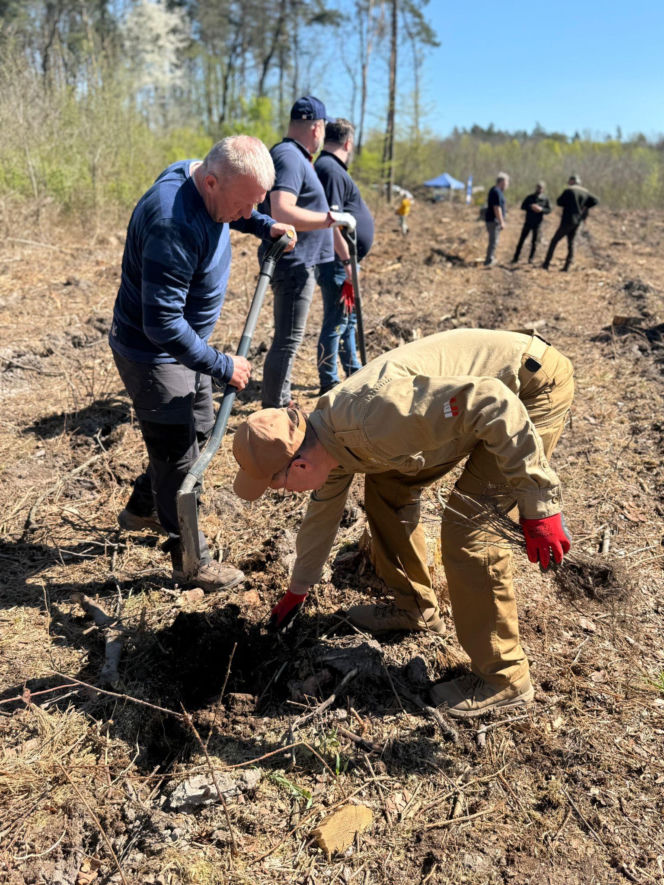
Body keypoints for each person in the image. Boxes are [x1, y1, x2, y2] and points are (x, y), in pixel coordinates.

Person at [232, 329, 574, 718]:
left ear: (300, 465)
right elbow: (322, 515)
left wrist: (539, 499)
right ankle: (416, 608)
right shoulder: (325, 440)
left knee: (468, 527)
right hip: (480, 404)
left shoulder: (375, 420)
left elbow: (493, 403)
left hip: (527, 386)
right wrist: (299, 587)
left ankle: (504, 678)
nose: (284, 493)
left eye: (278, 485)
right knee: (387, 488)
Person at [110, 135, 295, 592]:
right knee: (177, 454)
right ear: (210, 182)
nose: (244, 213)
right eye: (241, 205)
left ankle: (142, 508)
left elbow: (241, 206)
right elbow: (162, 324)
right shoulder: (171, 223)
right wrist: (221, 364)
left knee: (195, 431)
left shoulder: (201, 177)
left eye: (253, 203)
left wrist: (262, 224)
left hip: (188, 346)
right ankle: (189, 559)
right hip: (154, 352)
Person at [257, 96, 355, 408]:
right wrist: (330, 219)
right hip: (294, 264)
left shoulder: (297, 157)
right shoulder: (288, 156)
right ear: (316, 128)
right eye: (323, 128)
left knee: (290, 339)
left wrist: (342, 252)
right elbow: (281, 209)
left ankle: (280, 402)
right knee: (287, 340)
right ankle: (276, 408)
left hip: (303, 263)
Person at [314, 119, 374, 395]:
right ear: (348, 142)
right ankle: (329, 380)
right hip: (338, 261)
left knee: (347, 318)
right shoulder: (329, 169)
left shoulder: (331, 168)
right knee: (336, 319)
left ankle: (354, 372)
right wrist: (348, 261)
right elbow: (333, 221)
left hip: (343, 259)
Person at [542, 175, 599, 271]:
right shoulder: (585, 192)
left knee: (554, 241)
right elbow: (595, 200)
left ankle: (546, 263)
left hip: (567, 219)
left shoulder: (569, 191)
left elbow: (559, 202)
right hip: (577, 221)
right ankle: (567, 266)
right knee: (571, 242)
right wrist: (585, 206)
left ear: (572, 181)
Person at [511, 181, 551, 264]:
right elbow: (523, 206)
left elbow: (549, 210)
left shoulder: (545, 199)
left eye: (541, 188)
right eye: (538, 187)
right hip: (528, 221)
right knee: (521, 240)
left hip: (538, 223)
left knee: (534, 242)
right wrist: (530, 207)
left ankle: (531, 258)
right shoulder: (530, 197)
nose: (539, 189)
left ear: (543, 189)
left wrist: (541, 210)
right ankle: (516, 257)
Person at [484, 172, 509, 266]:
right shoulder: (496, 191)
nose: (507, 185)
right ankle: (489, 260)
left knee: (494, 241)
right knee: (493, 241)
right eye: (506, 182)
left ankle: (490, 258)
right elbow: (496, 208)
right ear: (502, 182)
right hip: (493, 221)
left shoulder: (497, 191)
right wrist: (501, 221)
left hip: (493, 220)